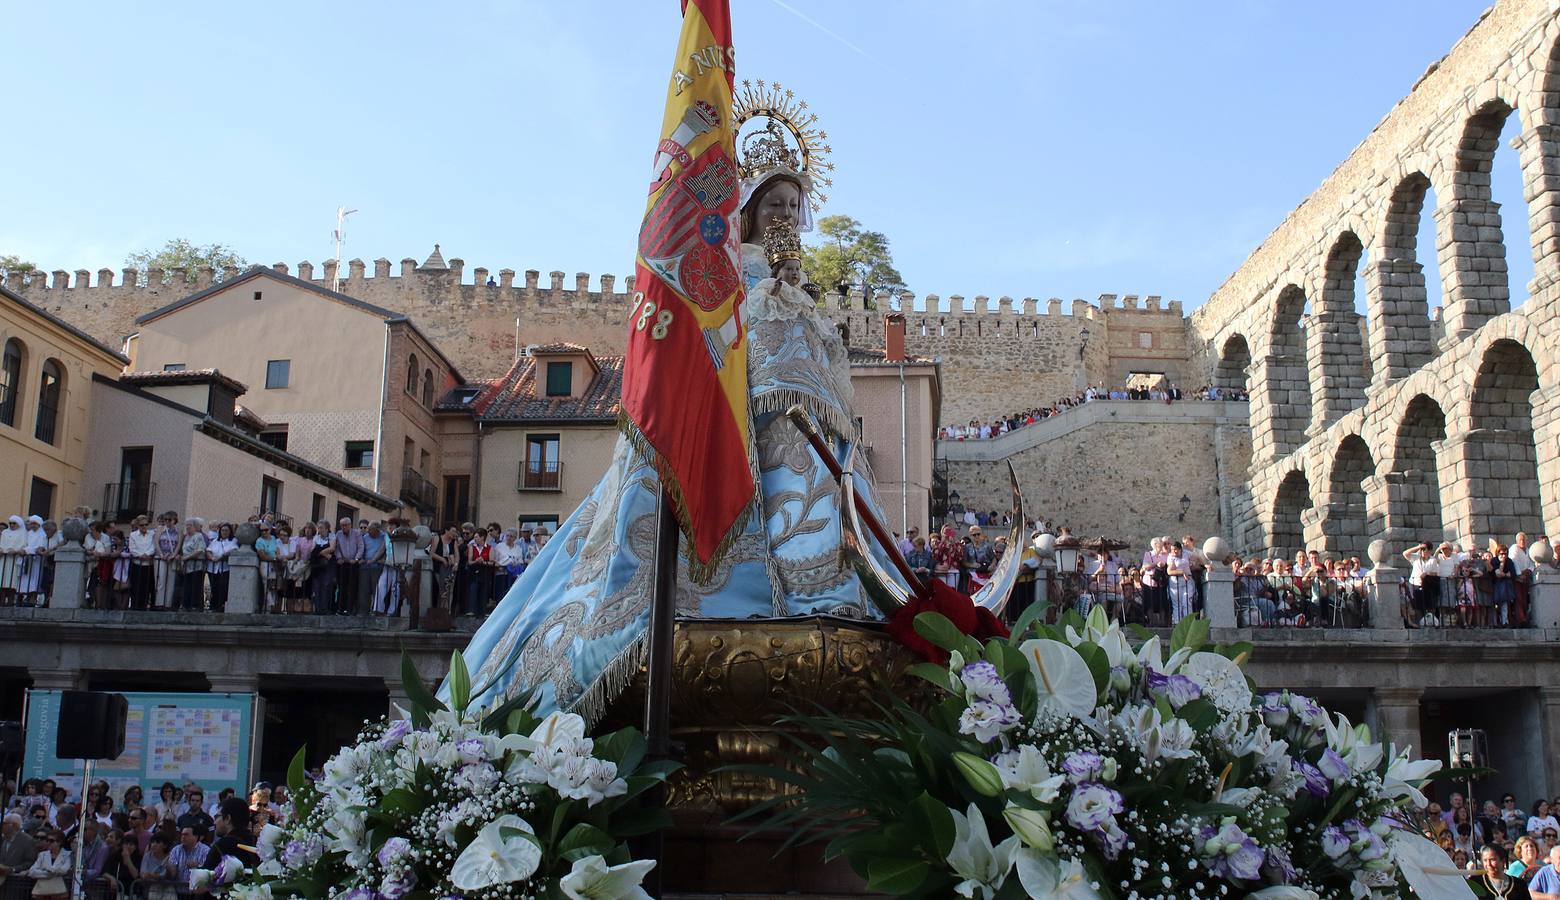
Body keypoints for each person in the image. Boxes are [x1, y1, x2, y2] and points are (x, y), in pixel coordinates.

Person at [453, 111, 912, 717]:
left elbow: (820, 382)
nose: (782, 216)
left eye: (790, 205)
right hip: (729, 434)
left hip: (802, 461)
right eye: (771, 203)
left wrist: (797, 311)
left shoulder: (797, 293)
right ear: (747, 212)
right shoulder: (724, 278)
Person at [25, 829, 72, 900]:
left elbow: (64, 870)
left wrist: (45, 870)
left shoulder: (68, 855)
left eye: (51, 841)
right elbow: (32, 871)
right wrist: (49, 873)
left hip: (59, 894)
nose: (48, 843)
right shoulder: (42, 855)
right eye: (47, 840)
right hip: (42, 894)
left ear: (59, 842)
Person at [0, 812, 36, 880]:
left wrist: (12, 869)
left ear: (14, 825)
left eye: (4, 823)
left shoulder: (27, 841)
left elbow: (30, 862)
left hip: (16, 882)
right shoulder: (3, 839)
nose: (1, 826)